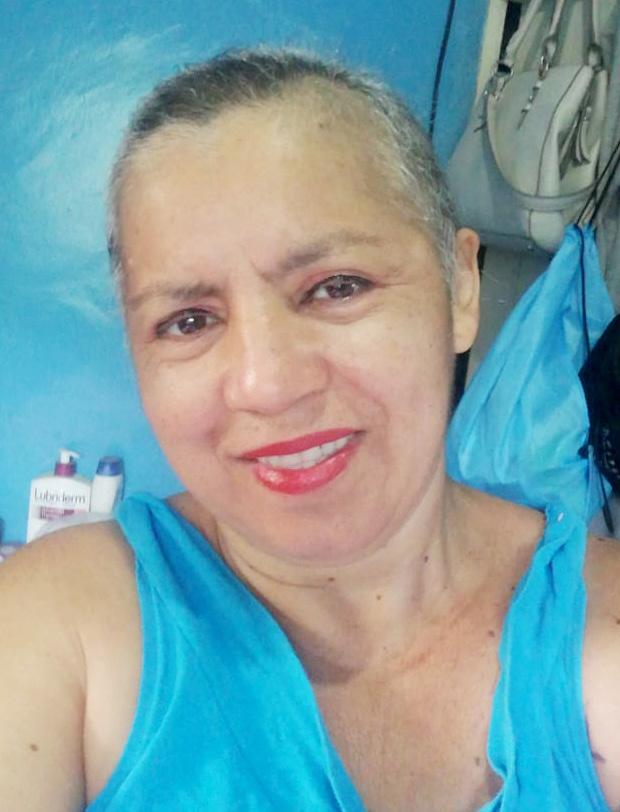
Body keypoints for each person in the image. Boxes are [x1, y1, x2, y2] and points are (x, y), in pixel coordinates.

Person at [2, 47, 620, 812]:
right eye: (188, 320)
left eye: (336, 286)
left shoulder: (599, 627)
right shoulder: (54, 632)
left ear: (461, 286)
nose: (267, 384)